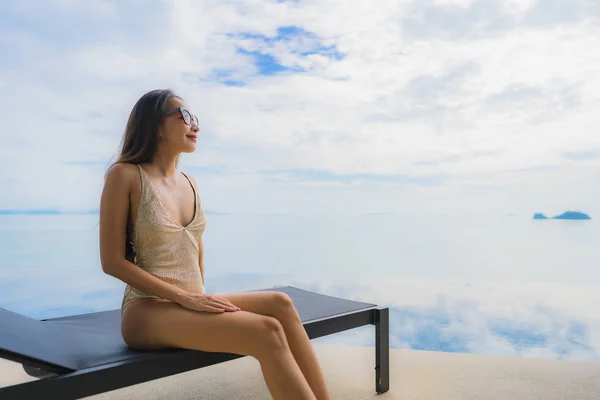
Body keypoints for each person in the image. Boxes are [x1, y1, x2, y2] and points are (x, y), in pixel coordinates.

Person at [98, 89, 331, 400]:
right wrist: (185, 299)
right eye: (184, 117)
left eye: (195, 118)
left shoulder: (190, 183)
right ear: (155, 125)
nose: (195, 125)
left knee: (280, 304)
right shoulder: (124, 175)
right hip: (146, 311)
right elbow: (111, 261)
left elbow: (196, 248)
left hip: (188, 302)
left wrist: (199, 299)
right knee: (266, 331)